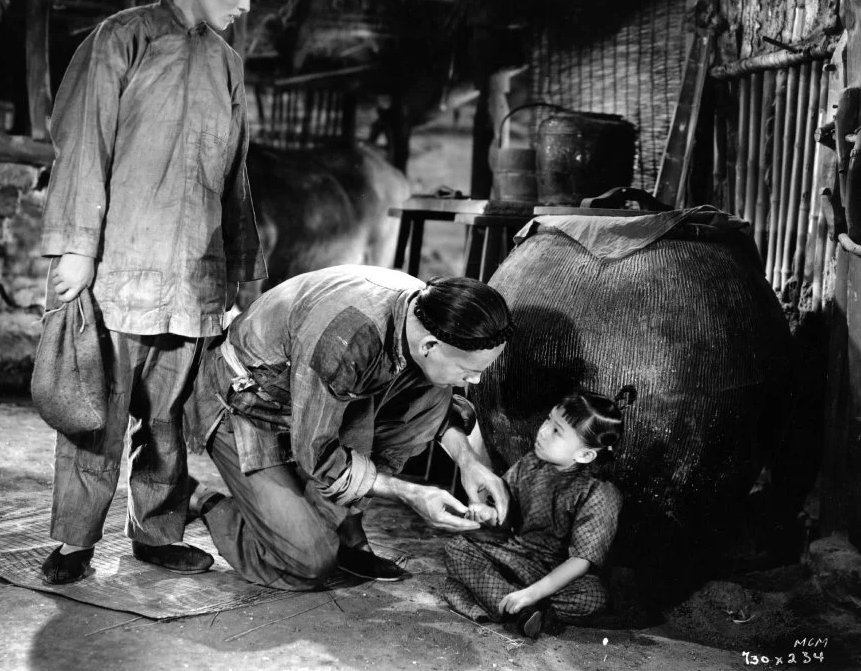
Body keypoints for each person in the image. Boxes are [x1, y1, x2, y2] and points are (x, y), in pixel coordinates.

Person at [37, 0, 267, 585]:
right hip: (119, 268)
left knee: (168, 421)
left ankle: (158, 534)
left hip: (195, 278)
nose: (246, 4)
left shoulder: (227, 64)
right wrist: (76, 249)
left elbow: (238, 178)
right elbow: (81, 143)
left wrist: (243, 272)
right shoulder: (124, 37)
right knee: (97, 413)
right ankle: (75, 542)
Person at [184, 265, 515, 590]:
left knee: (432, 392)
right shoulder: (345, 340)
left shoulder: (429, 314)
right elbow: (317, 455)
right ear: (429, 346)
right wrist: (410, 492)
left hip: (318, 406)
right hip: (249, 407)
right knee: (309, 561)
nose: (477, 380)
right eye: (469, 370)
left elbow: (435, 409)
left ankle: (345, 525)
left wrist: (468, 462)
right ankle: (200, 498)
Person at [443, 386, 635, 638]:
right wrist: (489, 514)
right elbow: (505, 511)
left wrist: (533, 592)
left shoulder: (600, 491)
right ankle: (523, 610)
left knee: (592, 597)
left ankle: (510, 599)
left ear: (586, 454)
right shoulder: (530, 463)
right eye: (548, 420)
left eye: (557, 431)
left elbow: (580, 561)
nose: (543, 432)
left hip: (557, 572)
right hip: (515, 556)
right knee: (457, 547)